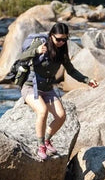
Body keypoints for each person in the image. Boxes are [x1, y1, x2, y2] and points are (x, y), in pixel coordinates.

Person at [10, 22, 97, 159]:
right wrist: (36, 51)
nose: (61, 42)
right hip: (30, 86)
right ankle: (41, 146)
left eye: (65, 39)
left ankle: (47, 139)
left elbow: (71, 70)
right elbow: (22, 57)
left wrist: (87, 80)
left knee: (61, 116)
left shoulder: (62, 52)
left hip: (48, 88)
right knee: (42, 111)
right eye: (58, 39)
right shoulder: (40, 43)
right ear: (51, 36)